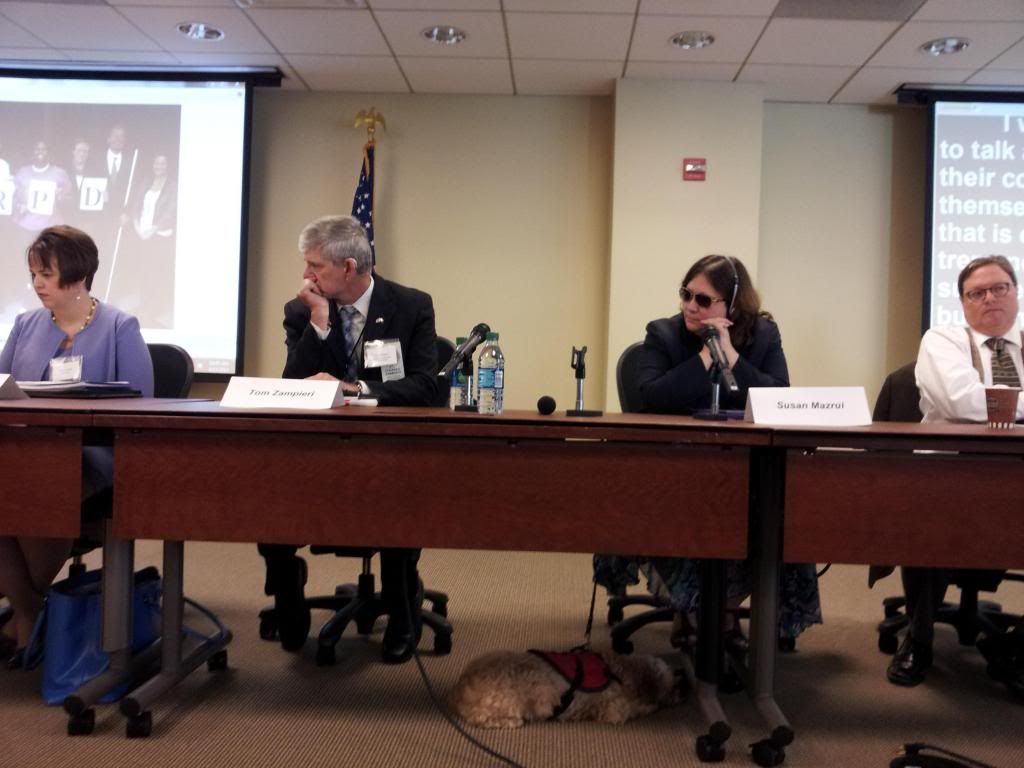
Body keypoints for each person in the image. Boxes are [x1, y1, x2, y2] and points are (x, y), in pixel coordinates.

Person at [594, 254, 822, 646]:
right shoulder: (663, 334)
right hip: (678, 469)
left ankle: (724, 610)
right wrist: (704, 356)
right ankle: (697, 610)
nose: (689, 305)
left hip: (745, 468)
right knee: (702, 502)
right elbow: (651, 398)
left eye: (703, 300)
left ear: (731, 306)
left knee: (767, 507)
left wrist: (730, 354)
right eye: (686, 294)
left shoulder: (764, 336)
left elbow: (778, 397)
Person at [259, 214, 441, 664]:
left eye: (315, 266)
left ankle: (402, 611)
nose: (306, 276)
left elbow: (427, 387)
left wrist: (359, 390)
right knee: (265, 500)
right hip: (318, 453)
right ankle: (288, 594)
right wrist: (319, 323)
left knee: (397, 506)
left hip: (389, 450)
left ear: (348, 267)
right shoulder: (301, 309)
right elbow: (293, 385)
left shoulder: (411, 305)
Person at [0, 225, 153, 668]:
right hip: (26, 450)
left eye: (46, 274)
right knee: (19, 484)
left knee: (40, 491)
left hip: (92, 455)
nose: (38, 284)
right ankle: (33, 609)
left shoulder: (120, 326)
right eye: (33, 274)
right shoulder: (25, 324)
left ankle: (29, 617)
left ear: (78, 273)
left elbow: (143, 404)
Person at [888, 255, 1023, 687]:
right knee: (929, 515)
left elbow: (987, 401)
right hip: (951, 474)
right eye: (976, 293)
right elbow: (964, 402)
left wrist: (1005, 402)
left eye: (999, 288)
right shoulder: (942, 339)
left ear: (1016, 293)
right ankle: (919, 637)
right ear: (963, 303)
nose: (989, 298)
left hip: (1017, 476)